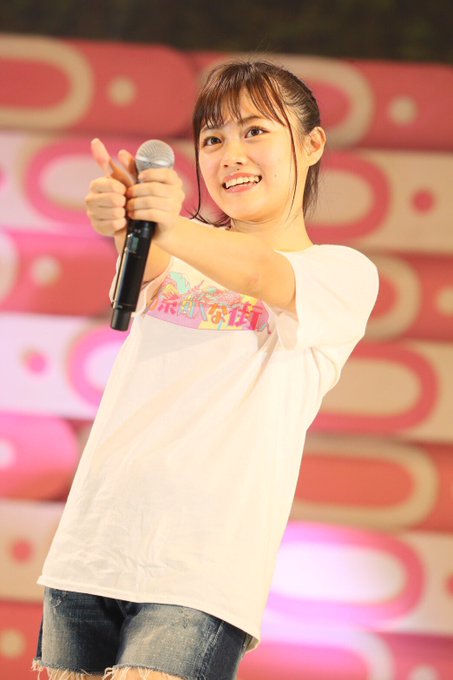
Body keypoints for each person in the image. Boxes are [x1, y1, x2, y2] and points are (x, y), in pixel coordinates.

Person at [32, 60, 379, 680]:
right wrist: (124, 214)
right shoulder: (178, 247)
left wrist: (165, 222)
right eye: (213, 138)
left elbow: (260, 272)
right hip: (91, 550)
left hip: (199, 574)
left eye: (255, 131)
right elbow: (152, 257)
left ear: (312, 145)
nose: (230, 155)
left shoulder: (340, 273)